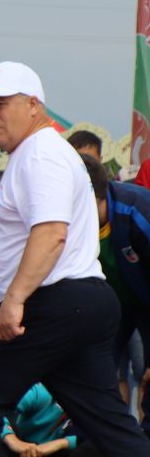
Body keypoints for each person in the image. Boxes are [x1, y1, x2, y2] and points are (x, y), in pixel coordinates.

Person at [0, 62, 150, 457]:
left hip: (57, 299)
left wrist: (14, 300)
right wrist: (6, 299)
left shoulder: (41, 155)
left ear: (33, 106)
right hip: (81, 301)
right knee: (109, 420)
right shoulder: (39, 154)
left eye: (1, 105)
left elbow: (52, 233)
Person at [87, 154, 150, 401]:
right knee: (96, 376)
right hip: (114, 306)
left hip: (146, 304)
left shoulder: (136, 210)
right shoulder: (69, 224)